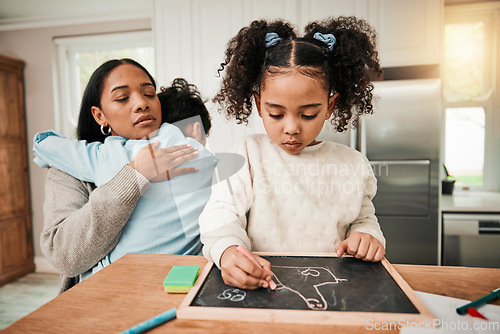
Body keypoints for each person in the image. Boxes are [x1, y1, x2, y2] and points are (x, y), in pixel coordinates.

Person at [199, 17, 386, 290]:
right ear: (259, 104)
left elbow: (363, 218)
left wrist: (366, 236)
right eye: (276, 113)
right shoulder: (247, 154)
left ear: (330, 106)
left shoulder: (352, 163)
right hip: (264, 284)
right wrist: (228, 251)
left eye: (308, 114)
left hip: (331, 286)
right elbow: (222, 212)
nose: (291, 128)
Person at [38, 59, 215, 293]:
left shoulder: (187, 156)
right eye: (122, 98)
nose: (141, 103)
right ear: (99, 116)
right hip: (101, 297)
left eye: (149, 94)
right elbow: (64, 257)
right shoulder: (71, 169)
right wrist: (135, 175)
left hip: (177, 289)